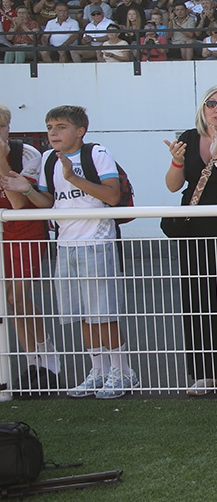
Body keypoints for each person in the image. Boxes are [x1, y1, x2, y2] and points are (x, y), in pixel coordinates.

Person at [16, 106, 134, 399]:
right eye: (49, 127)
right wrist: (26, 190)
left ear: (80, 131)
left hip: (96, 243)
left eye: (61, 126)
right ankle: (99, 370)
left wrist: (73, 177)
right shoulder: (48, 159)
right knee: (81, 313)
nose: (53, 133)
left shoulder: (97, 153)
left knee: (102, 314)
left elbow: (112, 195)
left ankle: (123, 371)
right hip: (65, 245)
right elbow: (49, 202)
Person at [163, 85, 217, 395]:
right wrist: (176, 161)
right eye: (212, 103)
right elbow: (173, 186)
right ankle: (204, 372)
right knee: (197, 300)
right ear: (203, 108)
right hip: (193, 231)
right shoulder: (188, 138)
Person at [0, 104, 56, 390]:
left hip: (25, 230)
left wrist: (1, 159)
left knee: (16, 298)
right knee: (9, 302)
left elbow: (18, 203)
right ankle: (33, 360)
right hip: (3, 231)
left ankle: (47, 359)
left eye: (1, 126)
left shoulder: (26, 154)